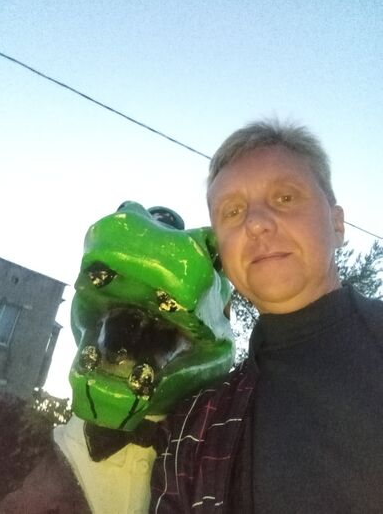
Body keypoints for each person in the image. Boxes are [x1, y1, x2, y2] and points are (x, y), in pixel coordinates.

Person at [149, 119, 383, 513]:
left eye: (285, 197)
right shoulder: (191, 427)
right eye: (232, 211)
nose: (255, 223)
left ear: (337, 223)